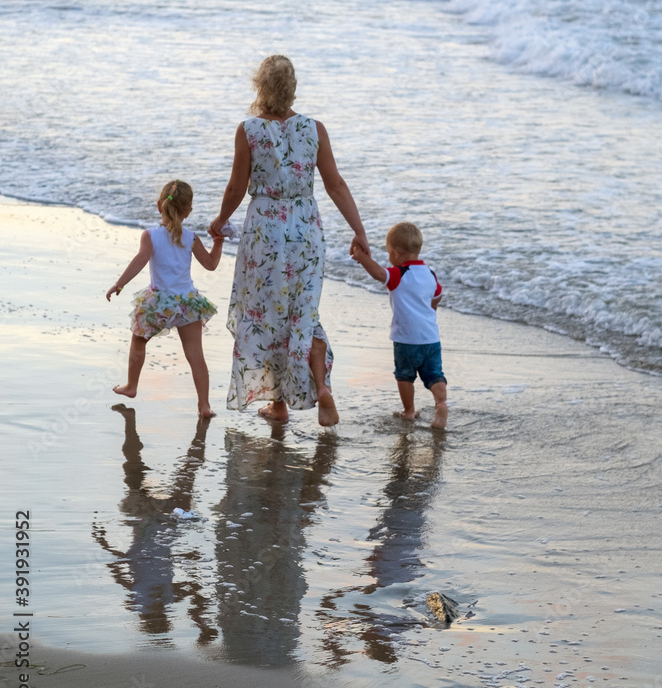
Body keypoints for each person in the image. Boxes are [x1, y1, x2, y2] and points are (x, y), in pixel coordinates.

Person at [209, 54, 369, 426]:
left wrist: (220, 220)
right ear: (293, 88)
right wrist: (359, 231)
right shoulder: (314, 129)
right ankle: (318, 389)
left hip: (265, 228)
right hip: (305, 228)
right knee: (303, 313)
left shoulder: (248, 130)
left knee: (268, 314)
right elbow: (336, 185)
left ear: (259, 87)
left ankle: (280, 404)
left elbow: (236, 186)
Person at [107, 180, 225, 418]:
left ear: (159, 205)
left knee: (138, 342)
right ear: (188, 212)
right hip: (187, 303)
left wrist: (119, 284)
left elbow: (140, 261)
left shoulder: (150, 236)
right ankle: (204, 405)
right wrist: (219, 242)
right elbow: (211, 265)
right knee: (195, 355)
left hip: (159, 303)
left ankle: (131, 386)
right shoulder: (192, 238)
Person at [351, 222, 448, 430]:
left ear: (394, 253)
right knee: (434, 374)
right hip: (431, 338)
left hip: (406, 339)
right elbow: (437, 297)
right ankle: (441, 403)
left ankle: (409, 411)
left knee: (405, 375)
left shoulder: (398, 274)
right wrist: (428, 311)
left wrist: (361, 256)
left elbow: (378, 273)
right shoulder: (430, 274)